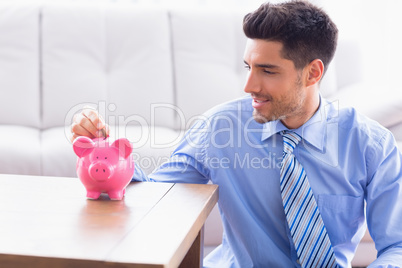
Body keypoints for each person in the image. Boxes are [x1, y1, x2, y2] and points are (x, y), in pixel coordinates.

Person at [71, 1, 402, 267]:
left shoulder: (371, 146)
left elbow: (397, 246)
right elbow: (155, 197)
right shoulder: (219, 129)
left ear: (313, 72)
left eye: (267, 71)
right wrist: (106, 158)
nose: (249, 86)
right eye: (249, 67)